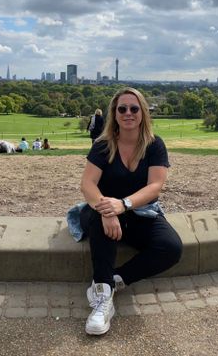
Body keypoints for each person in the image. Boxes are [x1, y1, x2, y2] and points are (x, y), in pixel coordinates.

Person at [79, 87, 182, 335]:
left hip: (138, 213)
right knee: (99, 222)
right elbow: (87, 184)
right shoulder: (103, 145)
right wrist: (108, 210)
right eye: (121, 108)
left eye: (134, 108)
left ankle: (115, 281)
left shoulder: (154, 145)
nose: (128, 113)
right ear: (114, 113)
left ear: (142, 112)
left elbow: (155, 186)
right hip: (101, 212)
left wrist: (123, 204)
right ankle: (103, 299)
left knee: (171, 247)